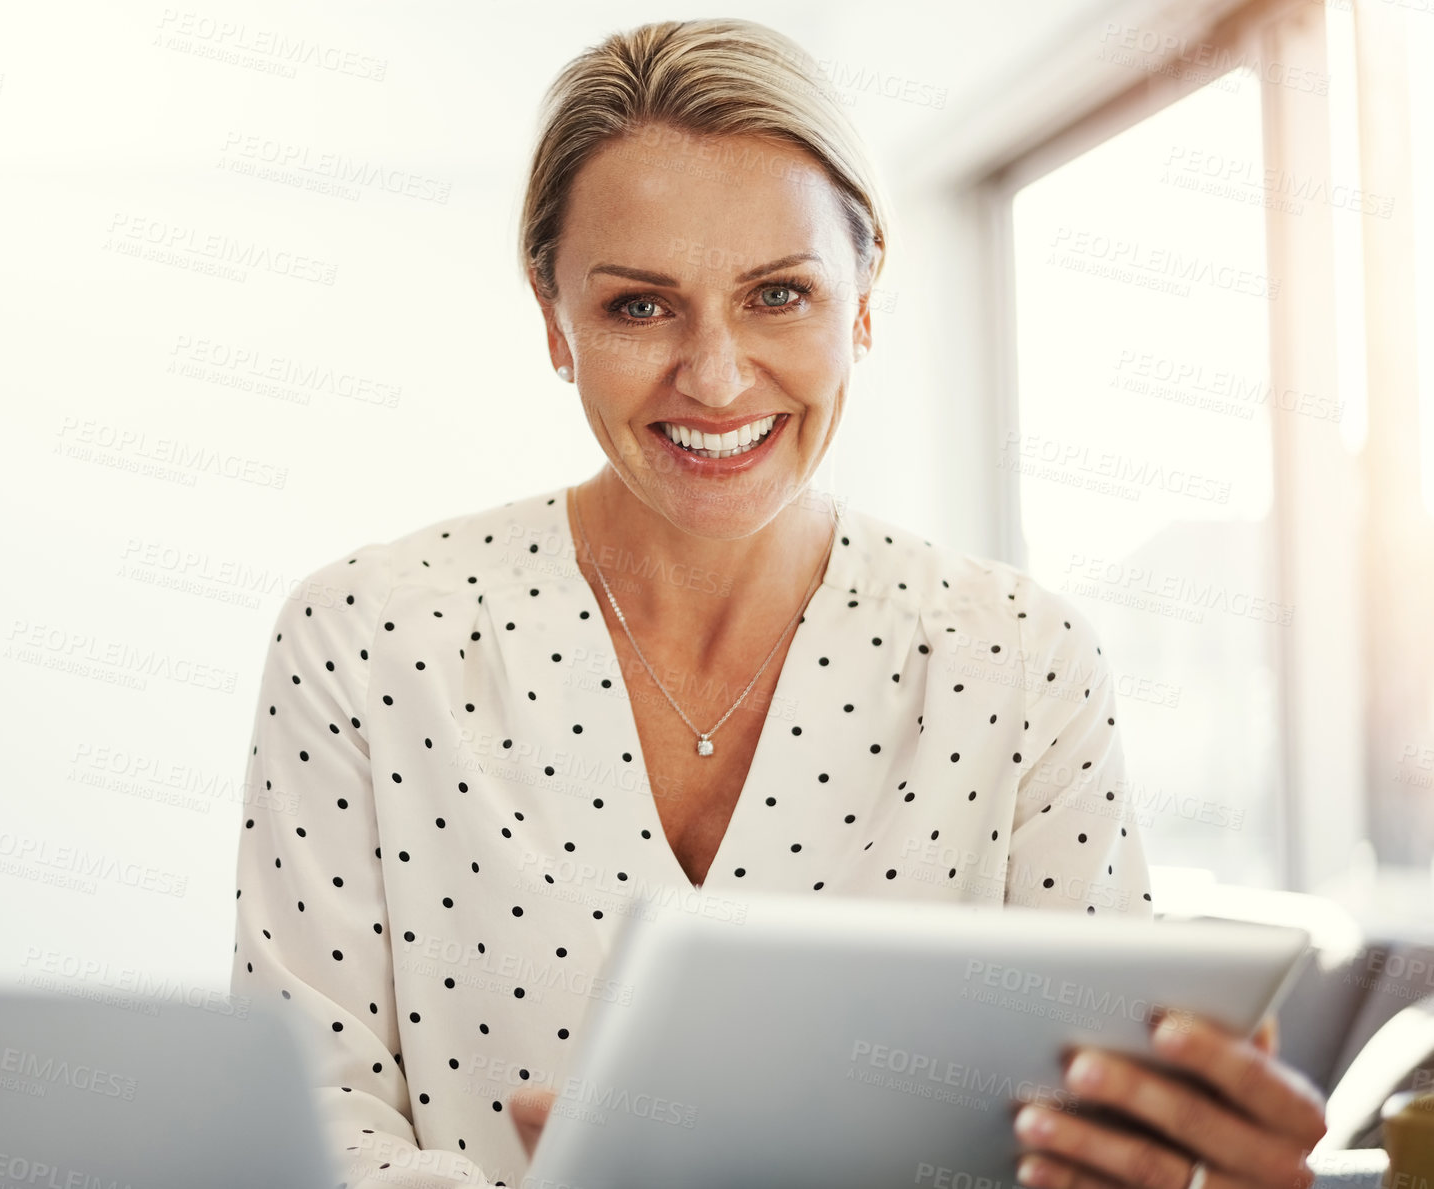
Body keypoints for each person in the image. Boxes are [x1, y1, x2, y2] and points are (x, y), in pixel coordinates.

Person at [229, 17, 1328, 1189]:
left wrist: (1193, 1171)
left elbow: (1089, 1131)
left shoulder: (1019, 661)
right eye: (638, 307)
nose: (714, 376)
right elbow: (300, 1124)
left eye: (777, 294)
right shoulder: (367, 638)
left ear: (862, 298)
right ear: (554, 320)